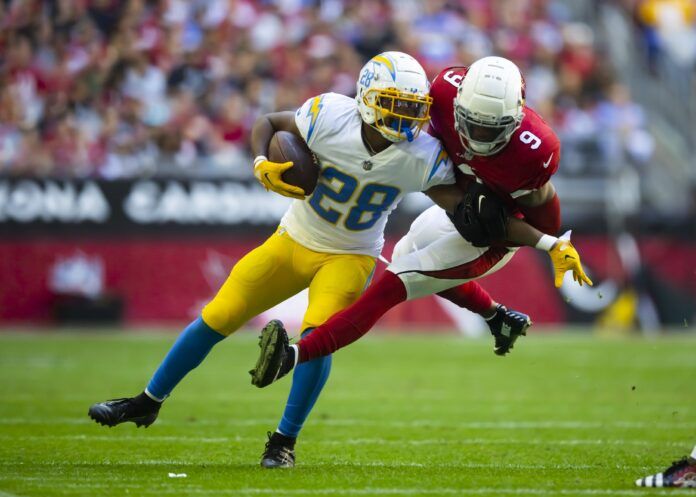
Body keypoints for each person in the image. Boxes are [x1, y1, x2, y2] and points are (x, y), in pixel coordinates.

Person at [86, 52, 531, 469]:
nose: (406, 117)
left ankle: (283, 442)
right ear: (368, 98)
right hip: (294, 238)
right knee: (218, 315)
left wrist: (496, 215)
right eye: (395, 104)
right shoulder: (329, 115)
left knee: (319, 334)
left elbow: (460, 205)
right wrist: (261, 159)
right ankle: (148, 401)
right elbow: (268, 123)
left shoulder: (421, 153)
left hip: (351, 255)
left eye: (413, 107)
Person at [250, 56, 593, 388]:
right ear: (457, 104)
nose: (477, 135)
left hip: (500, 228)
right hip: (462, 203)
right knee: (404, 255)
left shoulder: (536, 149)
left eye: (490, 129)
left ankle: (292, 357)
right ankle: (497, 317)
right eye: (470, 122)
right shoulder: (442, 90)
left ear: (515, 120)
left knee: (396, 281)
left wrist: (550, 241)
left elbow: (539, 204)